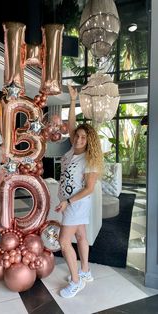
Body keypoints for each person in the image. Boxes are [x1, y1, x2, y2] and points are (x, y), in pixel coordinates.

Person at [55, 85, 103, 298]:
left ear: (89, 140)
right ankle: (85, 271)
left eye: (83, 138)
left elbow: (89, 188)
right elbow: (72, 124)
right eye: (77, 136)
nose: (78, 139)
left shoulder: (89, 160)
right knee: (81, 236)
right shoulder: (71, 150)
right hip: (70, 203)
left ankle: (76, 282)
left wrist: (68, 202)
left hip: (76, 203)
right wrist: (73, 100)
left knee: (64, 242)